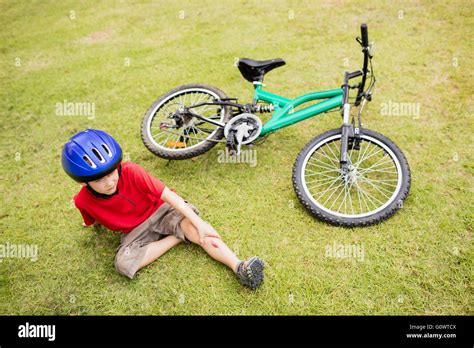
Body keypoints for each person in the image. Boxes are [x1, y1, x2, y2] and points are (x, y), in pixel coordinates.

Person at [61, 128, 265, 290]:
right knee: (122, 263)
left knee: (198, 231)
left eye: (112, 172)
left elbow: (168, 196)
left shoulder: (132, 171)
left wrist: (199, 224)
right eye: (99, 179)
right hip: (135, 231)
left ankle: (240, 267)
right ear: (83, 183)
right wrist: (90, 223)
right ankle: (176, 238)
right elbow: (90, 219)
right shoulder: (82, 201)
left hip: (163, 211)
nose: (109, 181)